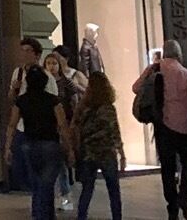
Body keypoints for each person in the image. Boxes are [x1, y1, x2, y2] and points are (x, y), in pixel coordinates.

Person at [134, 42, 187, 220]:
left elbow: (135, 88)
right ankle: (184, 195)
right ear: (179, 54)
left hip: (162, 127)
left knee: (167, 168)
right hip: (184, 127)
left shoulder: (155, 69)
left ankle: (172, 207)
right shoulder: (185, 74)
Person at [13, 62, 66, 220]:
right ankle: (46, 215)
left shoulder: (22, 101)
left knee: (37, 185)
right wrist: (69, 148)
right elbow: (62, 124)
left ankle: (39, 214)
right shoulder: (52, 100)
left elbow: (11, 124)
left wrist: (8, 146)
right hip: (50, 143)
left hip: (29, 143)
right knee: (47, 185)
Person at [71, 67, 124, 220]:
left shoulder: (83, 106)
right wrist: (121, 152)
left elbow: (75, 125)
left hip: (89, 151)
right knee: (113, 190)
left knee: (87, 189)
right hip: (106, 152)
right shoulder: (108, 108)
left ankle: (81, 216)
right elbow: (114, 131)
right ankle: (117, 217)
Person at [43, 49, 85, 206]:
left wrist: (73, 120)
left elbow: (74, 98)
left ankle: (65, 194)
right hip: (48, 124)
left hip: (63, 122)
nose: (52, 66)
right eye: (48, 63)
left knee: (61, 159)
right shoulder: (44, 82)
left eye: (54, 63)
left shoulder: (65, 81)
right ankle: (57, 195)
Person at [5, 38, 44, 193]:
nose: (24, 54)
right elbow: (11, 99)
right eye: (23, 51)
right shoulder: (18, 72)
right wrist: (14, 89)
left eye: (28, 51)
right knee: (20, 161)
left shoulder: (44, 75)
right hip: (21, 123)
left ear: (36, 54)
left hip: (38, 125)